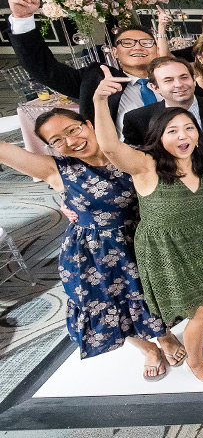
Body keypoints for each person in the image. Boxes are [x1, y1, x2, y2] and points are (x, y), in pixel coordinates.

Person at [0, 108, 185, 380]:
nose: (71, 142)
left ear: (88, 123)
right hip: (93, 251)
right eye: (57, 141)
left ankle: (165, 338)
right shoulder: (58, 169)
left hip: (141, 239)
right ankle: (148, 349)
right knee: (107, 303)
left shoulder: (131, 151)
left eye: (73, 130)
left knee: (149, 296)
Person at [92, 68, 203, 385]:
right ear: (158, 136)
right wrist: (99, 100)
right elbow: (109, 147)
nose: (183, 136)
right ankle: (196, 362)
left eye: (189, 128)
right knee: (201, 310)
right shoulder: (145, 165)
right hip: (166, 247)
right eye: (172, 131)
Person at [121, 55, 203, 346]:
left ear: (194, 76)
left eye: (183, 76)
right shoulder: (138, 119)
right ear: (155, 86)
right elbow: (128, 167)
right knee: (191, 268)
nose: (178, 84)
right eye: (168, 80)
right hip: (173, 210)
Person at [7, 0, 161, 129]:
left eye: (146, 42)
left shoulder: (177, 75)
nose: (137, 46)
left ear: (157, 49)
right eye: (127, 43)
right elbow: (44, 69)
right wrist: (22, 19)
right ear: (114, 52)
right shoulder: (95, 80)